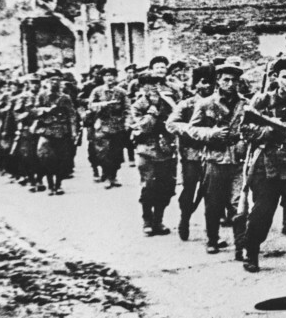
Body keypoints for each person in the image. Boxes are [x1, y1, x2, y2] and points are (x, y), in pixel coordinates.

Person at [240, 57, 286, 274]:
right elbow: (244, 129)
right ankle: (251, 253)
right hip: (266, 164)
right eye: (285, 77)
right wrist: (268, 131)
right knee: (262, 213)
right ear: (276, 78)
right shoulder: (262, 101)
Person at [188, 62, 248, 256]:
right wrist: (211, 133)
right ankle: (212, 239)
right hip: (214, 159)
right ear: (218, 81)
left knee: (239, 204)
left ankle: (241, 246)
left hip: (238, 161)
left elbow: (252, 128)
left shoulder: (245, 104)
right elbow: (192, 129)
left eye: (234, 80)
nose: (230, 84)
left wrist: (244, 141)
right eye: (226, 80)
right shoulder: (206, 103)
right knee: (213, 203)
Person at [167, 64, 216, 241]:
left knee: (212, 193)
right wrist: (192, 130)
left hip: (214, 155)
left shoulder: (218, 103)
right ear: (195, 84)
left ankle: (212, 235)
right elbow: (171, 124)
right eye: (203, 82)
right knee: (189, 190)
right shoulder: (186, 104)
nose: (207, 86)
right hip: (192, 155)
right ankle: (185, 219)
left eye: (211, 82)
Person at [131, 74, 178, 236]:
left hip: (166, 150)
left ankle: (158, 220)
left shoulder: (168, 102)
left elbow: (177, 120)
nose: (152, 87)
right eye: (148, 84)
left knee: (166, 187)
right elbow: (143, 127)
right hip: (146, 150)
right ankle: (147, 220)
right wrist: (152, 112)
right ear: (141, 87)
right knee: (149, 186)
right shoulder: (138, 106)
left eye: (156, 84)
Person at [34, 71, 79, 196]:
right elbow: (35, 109)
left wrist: (73, 131)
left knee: (61, 159)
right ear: (47, 82)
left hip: (61, 131)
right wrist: (45, 110)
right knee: (46, 158)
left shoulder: (65, 97)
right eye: (51, 80)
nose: (54, 82)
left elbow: (72, 115)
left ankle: (58, 185)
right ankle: (50, 185)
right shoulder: (42, 95)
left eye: (57, 80)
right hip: (46, 130)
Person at [89, 67, 130, 188]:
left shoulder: (121, 92)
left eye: (112, 75)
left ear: (116, 77)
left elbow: (128, 108)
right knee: (103, 152)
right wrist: (102, 105)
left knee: (117, 152)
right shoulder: (97, 91)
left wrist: (127, 122)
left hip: (118, 125)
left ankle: (114, 176)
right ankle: (106, 176)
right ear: (103, 78)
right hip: (103, 124)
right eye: (106, 75)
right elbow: (90, 105)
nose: (109, 78)